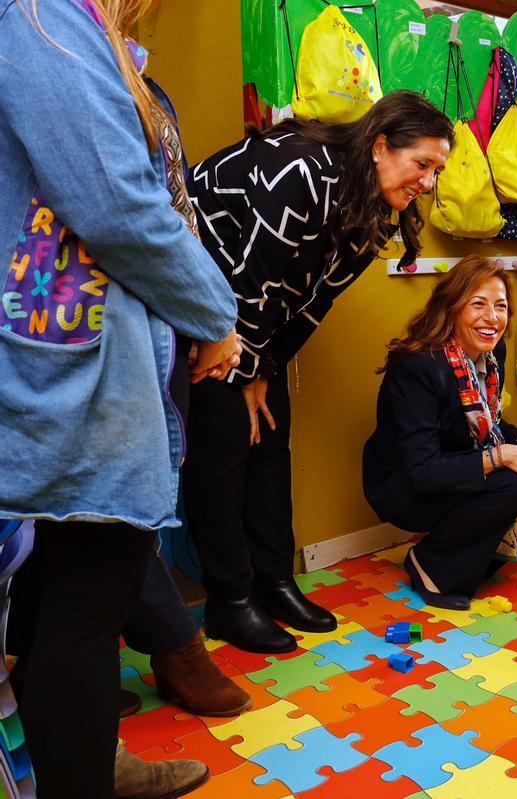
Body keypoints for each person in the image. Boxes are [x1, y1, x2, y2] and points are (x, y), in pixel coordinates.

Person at [0, 1, 241, 796]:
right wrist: (212, 313)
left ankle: (87, 760)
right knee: (86, 598)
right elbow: (116, 202)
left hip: (69, 345)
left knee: (62, 589)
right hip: (65, 364)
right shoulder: (41, 18)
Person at [183, 91, 454, 653]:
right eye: (422, 165)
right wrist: (246, 367)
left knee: (271, 439)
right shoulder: (302, 169)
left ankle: (274, 581)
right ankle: (228, 602)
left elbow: (313, 303)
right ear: (380, 146)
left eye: (437, 171)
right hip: (205, 313)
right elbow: (249, 279)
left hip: (256, 329)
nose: (428, 182)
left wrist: (265, 369)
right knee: (226, 445)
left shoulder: (378, 208)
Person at [362, 256, 517, 610]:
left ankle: (480, 557)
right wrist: (500, 456)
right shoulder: (419, 367)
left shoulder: (492, 355)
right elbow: (422, 472)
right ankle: (431, 564)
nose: (492, 318)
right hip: (406, 487)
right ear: (451, 308)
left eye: (501, 307)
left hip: (460, 464)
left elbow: (490, 423)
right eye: (478, 304)